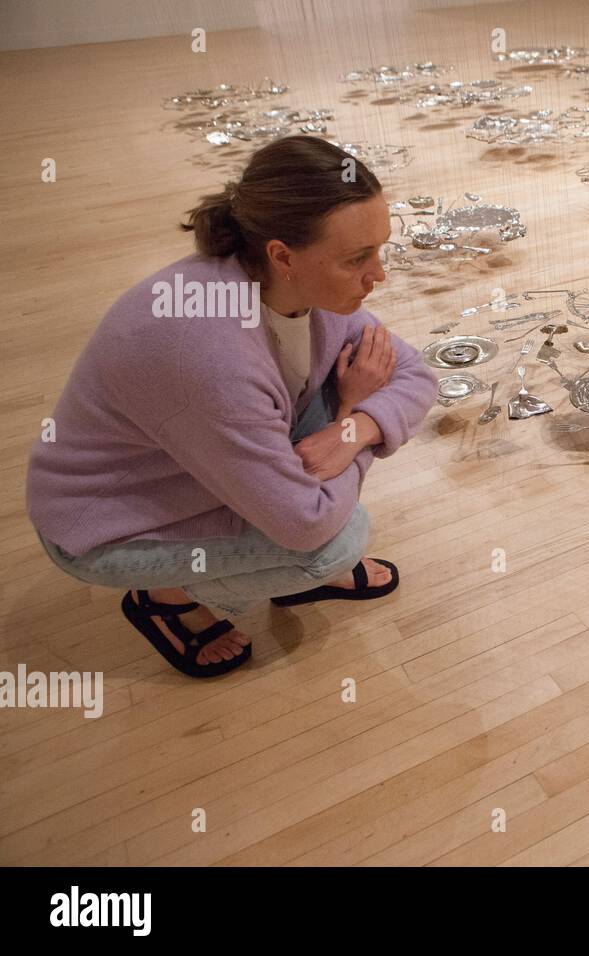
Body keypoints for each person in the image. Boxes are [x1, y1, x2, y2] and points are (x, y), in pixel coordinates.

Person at [25, 135, 438, 678]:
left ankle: (283, 563)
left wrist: (354, 430)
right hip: (108, 517)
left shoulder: (297, 290)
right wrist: (347, 418)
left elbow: (415, 374)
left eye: (381, 249)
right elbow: (307, 525)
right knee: (332, 547)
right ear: (283, 255)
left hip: (204, 458)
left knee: (357, 385)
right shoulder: (211, 355)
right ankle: (161, 597)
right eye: (357, 258)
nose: (378, 274)